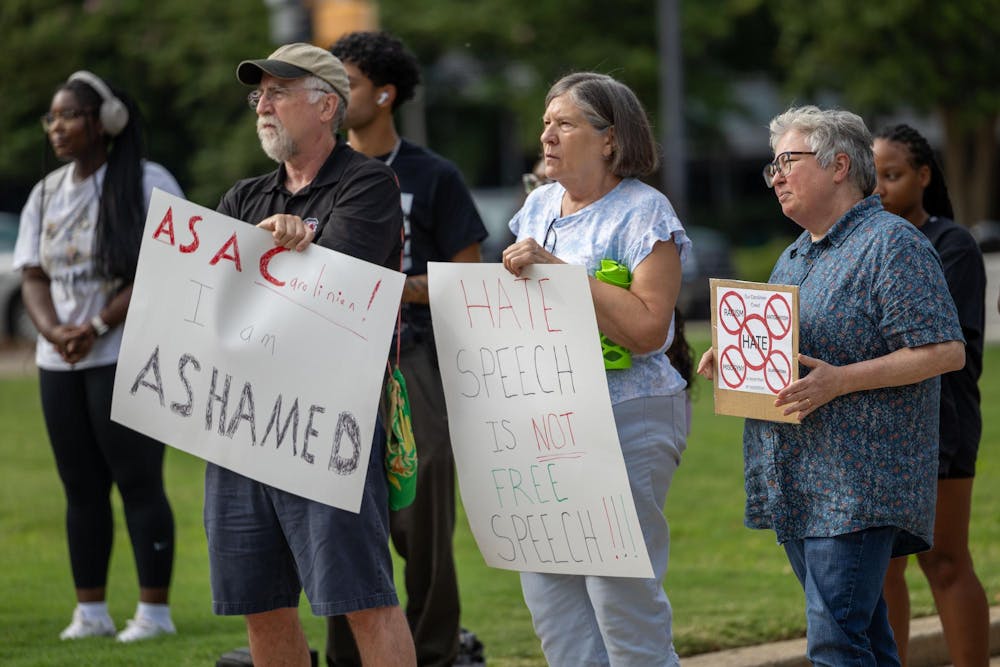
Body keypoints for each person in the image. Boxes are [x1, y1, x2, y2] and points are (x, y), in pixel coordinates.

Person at [697, 106, 966, 665]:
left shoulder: (892, 244)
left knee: (835, 643)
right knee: (863, 640)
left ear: (839, 165)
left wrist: (840, 381)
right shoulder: (794, 255)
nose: (776, 177)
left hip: (858, 487)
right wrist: (737, 357)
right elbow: (789, 355)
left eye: (787, 162)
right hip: (801, 485)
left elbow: (945, 350)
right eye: (771, 166)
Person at [206, 42, 416, 667]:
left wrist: (306, 243)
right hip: (242, 427)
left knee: (363, 600)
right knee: (261, 604)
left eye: (277, 92)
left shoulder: (369, 183)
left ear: (327, 105)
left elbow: (334, 292)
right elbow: (211, 302)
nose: (262, 105)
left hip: (330, 425)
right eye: (258, 95)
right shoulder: (242, 197)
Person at [501, 71, 691, 666]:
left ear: (609, 139)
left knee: (620, 599)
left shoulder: (643, 212)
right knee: (552, 600)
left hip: (626, 416)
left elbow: (646, 331)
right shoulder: (537, 207)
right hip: (546, 426)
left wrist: (558, 269)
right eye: (545, 123)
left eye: (564, 123)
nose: (547, 135)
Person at [326, 31, 487, 667]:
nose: (337, 96)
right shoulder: (323, 171)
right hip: (336, 362)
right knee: (341, 521)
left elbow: (469, 278)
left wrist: (390, 288)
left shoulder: (432, 175)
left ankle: (434, 654)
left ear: (385, 94)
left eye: (350, 84)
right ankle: (347, 657)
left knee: (420, 525)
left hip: (414, 360)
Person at [14, 71, 181, 642]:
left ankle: (153, 613)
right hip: (59, 361)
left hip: (124, 354)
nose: (56, 127)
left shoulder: (146, 179)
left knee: (138, 483)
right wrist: (55, 330)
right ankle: (90, 611)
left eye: (69, 115)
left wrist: (98, 322)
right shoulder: (46, 191)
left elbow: (167, 263)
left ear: (105, 122)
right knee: (80, 488)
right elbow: (32, 272)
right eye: (51, 118)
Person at [873, 124, 989, 667]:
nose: (880, 189)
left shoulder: (952, 245)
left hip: (943, 421)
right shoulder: (865, 245)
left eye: (892, 176)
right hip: (880, 425)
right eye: (872, 177)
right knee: (882, 564)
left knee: (943, 560)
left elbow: (945, 344)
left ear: (923, 176)